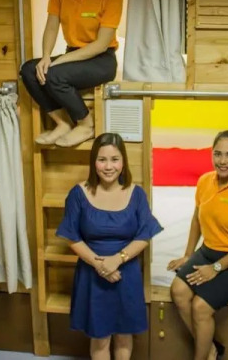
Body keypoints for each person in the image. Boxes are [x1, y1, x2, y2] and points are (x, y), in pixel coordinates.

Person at [57, 132, 162, 360]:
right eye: (102, 159)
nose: (108, 166)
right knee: (100, 337)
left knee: (124, 335)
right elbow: (72, 237)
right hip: (92, 273)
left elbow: (145, 235)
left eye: (114, 159)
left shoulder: (136, 194)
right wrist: (100, 265)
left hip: (126, 273)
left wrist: (117, 260)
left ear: (123, 162)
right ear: (93, 162)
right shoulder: (78, 193)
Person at [20, 0, 123, 148]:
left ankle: (85, 124)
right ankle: (63, 122)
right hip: (73, 54)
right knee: (29, 70)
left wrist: (57, 62)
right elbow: (52, 25)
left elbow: (100, 45)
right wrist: (46, 56)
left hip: (101, 60)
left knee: (54, 74)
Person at [167, 131, 228, 360]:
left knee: (200, 307)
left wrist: (216, 268)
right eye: (218, 154)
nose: (223, 161)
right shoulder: (205, 181)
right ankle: (210, 349)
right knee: (178, 291)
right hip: (209, 251)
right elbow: (197, 219)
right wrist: (188, 255)